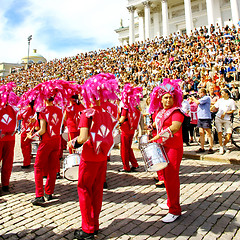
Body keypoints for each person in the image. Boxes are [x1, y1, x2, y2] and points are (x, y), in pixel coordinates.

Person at [68, 73, 119, 240]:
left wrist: (73, 143)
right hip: (102, 156)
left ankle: (88, 229)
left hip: (89, 156)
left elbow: (82, 138)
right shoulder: (107, 112)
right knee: (97, 191)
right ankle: (95, 224)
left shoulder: (87, 113)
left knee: (84, 189)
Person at [148, 78, 185, 223]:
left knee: (171, 177)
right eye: (165, 97)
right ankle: (170, 203)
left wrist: (158, 136)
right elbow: (158, 126)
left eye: (170, 97)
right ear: (161, 99)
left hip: (173, 147)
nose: (168, 99)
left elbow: (175, 127)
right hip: (162, 147)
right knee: (165, 176)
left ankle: (175, 210)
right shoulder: (159, 112)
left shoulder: (177, 112)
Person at [118, 84, 142, 172]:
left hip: (125, 128)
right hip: (132, 129)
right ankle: (134, 164)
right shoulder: (134, 106)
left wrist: (115, 124)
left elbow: (122, 118)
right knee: (129, 147)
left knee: (124, 148)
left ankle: (126, 166)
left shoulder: (125, 106)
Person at [0, 82, 19, 192]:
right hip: (10, 138)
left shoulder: (12, 109)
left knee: (7, 162)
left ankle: (5, 183)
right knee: (7, 162)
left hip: (5, 138)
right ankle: (5, 184)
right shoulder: (13, 109)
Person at [211, 88, 237, 154]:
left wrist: (226, 113)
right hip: (219, 117)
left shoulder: (231, 101)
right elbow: (215, 106)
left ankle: (224, 144)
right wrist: (211, 108)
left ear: (227, 94)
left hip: (227, 118)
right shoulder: (220, 100)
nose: (221, 94)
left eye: (223, 93)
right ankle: (221, 146)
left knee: (229, 132)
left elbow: (233, 110)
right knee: (219, 131)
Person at [190, 88, 214, 153]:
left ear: (203, 93)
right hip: (200, 117)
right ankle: (202, 147)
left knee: (208, 132)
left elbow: (197, 102)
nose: (198, 94)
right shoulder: (201, 99)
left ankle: (211, 147)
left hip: (206, 117)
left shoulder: (207, 98)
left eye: (200, 93)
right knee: (201, 133)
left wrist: (193, 98)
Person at [18, 100, 36, 168]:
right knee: (30, 144)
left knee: (25, 147)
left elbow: (19, 117)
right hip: (33, 129)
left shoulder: (25, 109)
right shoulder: (36, 109)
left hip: (26, 129)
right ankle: (30, 156)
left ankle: (26, 162)